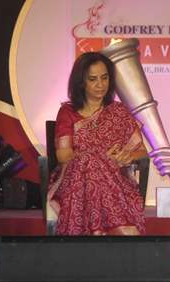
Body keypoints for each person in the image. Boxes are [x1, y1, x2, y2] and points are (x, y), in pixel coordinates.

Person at [47, 52, 147, 236]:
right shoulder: (67, 112)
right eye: (93, 79)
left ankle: (98, 234)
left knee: (93, 164)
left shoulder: (118, 111)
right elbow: (63, 155)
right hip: (75, 181)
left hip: (116, 180)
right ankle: (122, 231)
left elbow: (141, 152)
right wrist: (100, 157)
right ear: (81, 82)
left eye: (104, 78)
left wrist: (127, 156)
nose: (100, 85)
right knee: (90, 163)